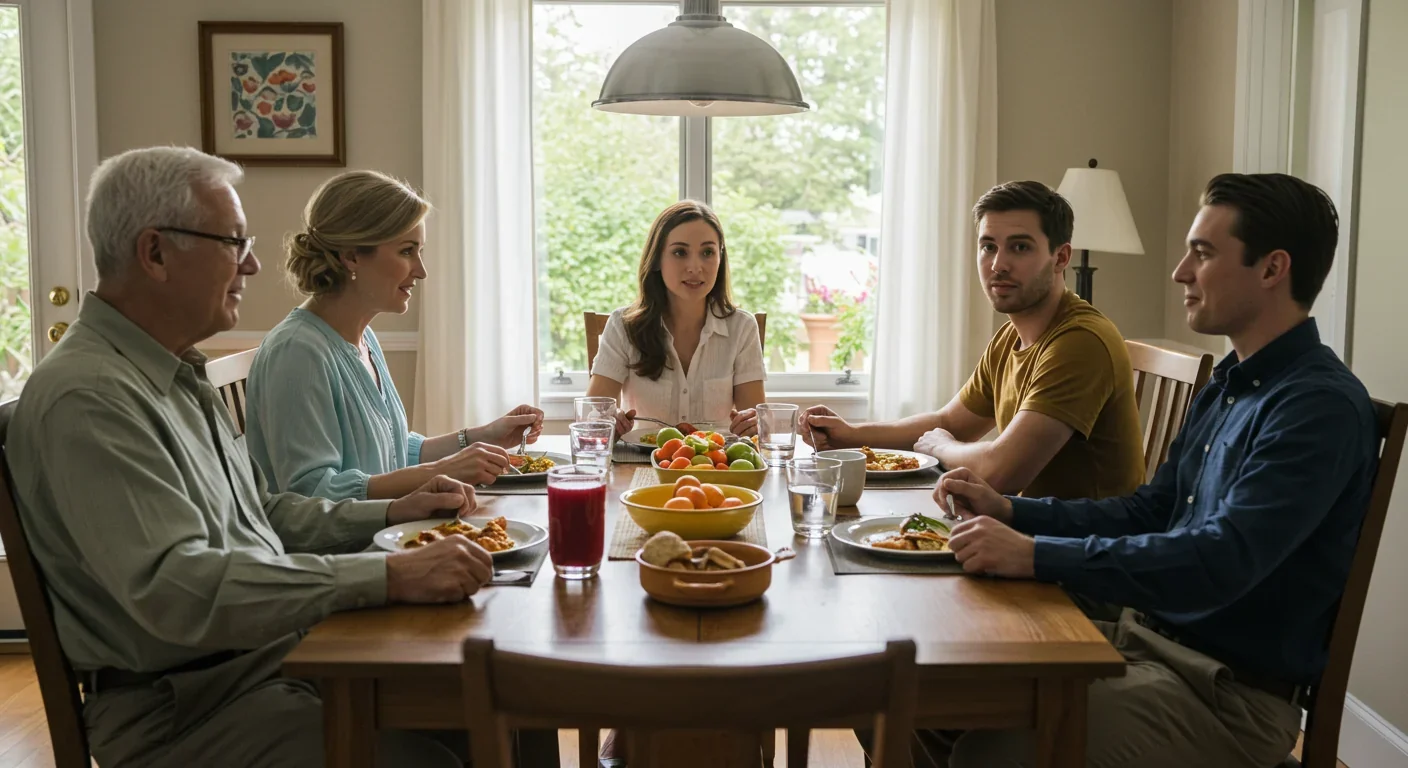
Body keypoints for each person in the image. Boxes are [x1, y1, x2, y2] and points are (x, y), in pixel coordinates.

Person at [5, 146, 496, 767]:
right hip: (188, 711)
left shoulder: (173, 370)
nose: (256, 263)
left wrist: (395, 512)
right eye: (233, 243)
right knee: (441, 754)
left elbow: (261, 513)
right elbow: (178, 590)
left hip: (261, 661)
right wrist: (387, 575)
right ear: (155, 253)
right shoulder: (93, 397)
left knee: (498, 704)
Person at [929, 173, 1377, 768]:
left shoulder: (1316, 408)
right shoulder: (1230, 383)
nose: (1181, 272)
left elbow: (1220, 561)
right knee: (930, 699)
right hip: (1147, 640)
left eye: (1204, 252)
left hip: (1225, 694)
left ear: (1272, 269)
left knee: (989, 756)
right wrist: (1013, 511)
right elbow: (1150, 509)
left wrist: (1032, 553)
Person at [801, 181, 1144, 499]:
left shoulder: (1079, 342)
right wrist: (850, 434)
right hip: (1023, 531)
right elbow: (950, 423)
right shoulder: (1011, 336)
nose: (998, 264)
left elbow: (1000, 472)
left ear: (1061, 257)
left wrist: (942, 448)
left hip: (1082, 549)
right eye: (988, 246)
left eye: (1020, 247)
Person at [244, 170, 544, 500]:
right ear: (352, 255)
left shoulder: (363, 338)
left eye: (420, 251)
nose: (421, 270)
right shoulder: (297, 353)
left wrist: (482, 437)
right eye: (406, 251)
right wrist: (440, 471)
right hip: (343, 551)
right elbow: (312, 495)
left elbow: (394, 452)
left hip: (386, 535)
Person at [586, 200, 766, 438]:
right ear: (657, 259)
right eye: (680, 252)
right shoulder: (623, 325)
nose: (695, 267)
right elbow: (593, 417)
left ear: (720, 258)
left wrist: (754, 424)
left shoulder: (742, 327)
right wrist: (609, 420)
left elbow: (755, 429)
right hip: (639, 466)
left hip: (715, 467)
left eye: (707, 252)